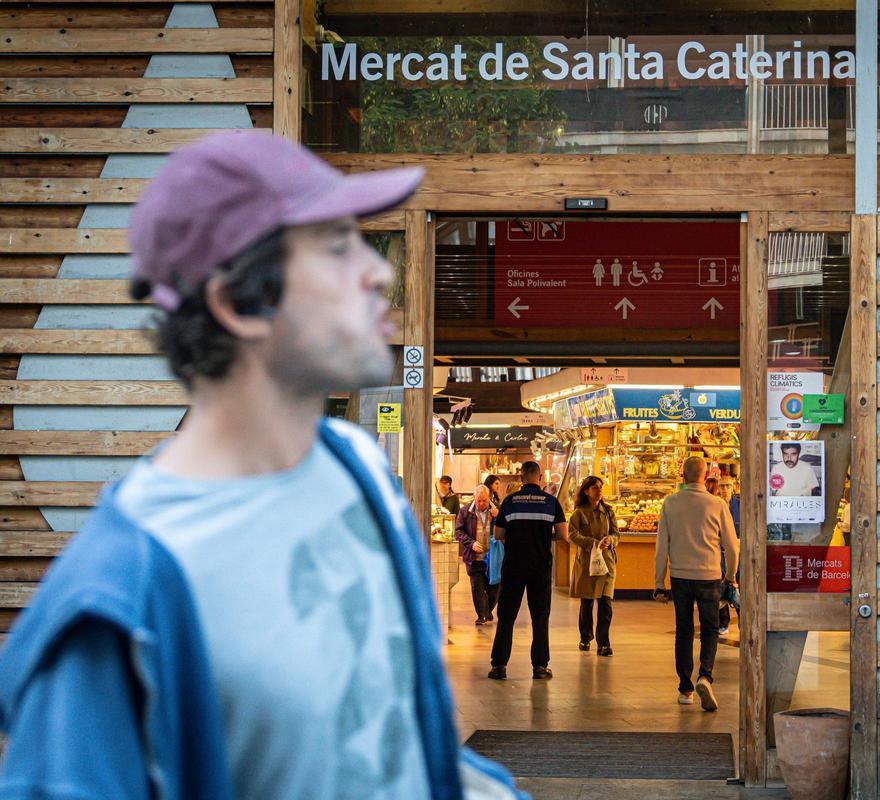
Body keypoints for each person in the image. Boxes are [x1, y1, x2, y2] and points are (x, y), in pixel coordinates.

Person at [0, 131, 524, 800]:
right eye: (337, 247)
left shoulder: (361, 474)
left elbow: (397, 743)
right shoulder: (118, 599)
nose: (381, 273)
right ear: (237, 304)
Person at [655, 456, 739, 711]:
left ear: (683, 476)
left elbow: (661, 547)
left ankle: (685, 688)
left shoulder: (670, 503)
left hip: (680, 576)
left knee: (684, 630)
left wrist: (659, 582)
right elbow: (732, 546)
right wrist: (731, 576)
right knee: (710, 629)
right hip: (710, 576)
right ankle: (705, 675)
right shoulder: (717, 504)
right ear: (705, 477)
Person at [489, 460, 567, 680]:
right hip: (540, 567)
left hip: (514, 566)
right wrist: (543, 537)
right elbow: (563, 535)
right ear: (539, 477)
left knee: (506, 617)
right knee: (540, 617)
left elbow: (498, 534)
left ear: (521, 477)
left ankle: (499, 666)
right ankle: (540, 666)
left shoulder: (510, 502)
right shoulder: (551, 502)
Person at [569, 475, 619, 656]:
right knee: (588, 602)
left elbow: (616, 533)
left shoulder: (608, 511)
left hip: (607, 562)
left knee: (606, 603)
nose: (599, 491)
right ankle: (585, 637)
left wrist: (610, 540)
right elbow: (572, 535)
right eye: (595, 488)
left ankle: (604, 643)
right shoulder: (579, 513)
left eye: (600, 487)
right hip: (587, 563)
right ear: (586, 491)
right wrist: (592, 542)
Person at [455, 485, 499, 626]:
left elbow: (508, 528)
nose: (481, 504)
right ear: (474, 498)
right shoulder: (465, 511)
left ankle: (486, 611)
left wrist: (498, 517)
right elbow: (459, 532)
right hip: (474, 558)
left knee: (494, 589)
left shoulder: (498, 510)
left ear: (489, 498)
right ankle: (482, 615)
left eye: (484, 501)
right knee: (477, 588)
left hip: (493, 558)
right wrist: (471, 543)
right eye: (479, 500)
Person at [716, 477, 740, 635]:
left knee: (739, 589)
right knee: (720, 588)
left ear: (733, 487)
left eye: (727, 486)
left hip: (738, 552)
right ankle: (723, 622)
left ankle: (743, 621)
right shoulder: (715, 505)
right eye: (722, 486)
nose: (725, 489)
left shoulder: (740, 505)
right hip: (718, 553)